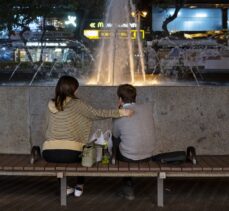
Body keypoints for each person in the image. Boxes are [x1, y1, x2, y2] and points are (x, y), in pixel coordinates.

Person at [42, 75, 133, 197]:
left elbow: (46, 128)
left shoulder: (50, 104)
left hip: (49, 153)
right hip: (71, 153)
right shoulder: (77, 104)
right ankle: (79, 185)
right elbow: (98, 113)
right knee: (86, 152)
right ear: (73, 90)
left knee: (61, 156)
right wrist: (121, 112)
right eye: (76, 89)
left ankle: (63, 187)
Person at [112, 84, 156, 200]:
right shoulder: (146, 108)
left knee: (116, 140)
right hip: (148, 155)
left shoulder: (120, 114)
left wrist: (118, 111)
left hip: (128, 157)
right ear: (135, 97)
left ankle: (127, 186)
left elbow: (115, 135)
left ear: (120, 99)